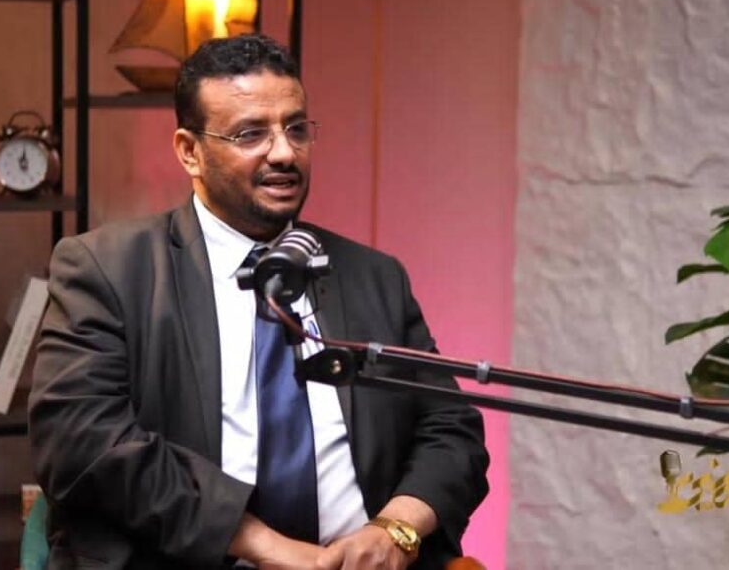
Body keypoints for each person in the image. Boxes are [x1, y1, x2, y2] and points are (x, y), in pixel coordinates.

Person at [28, 34, 489, 569]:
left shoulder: (374, 277)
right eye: (251, 134)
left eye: (296, 128)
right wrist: (262, 544)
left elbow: (451, 429)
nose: (284, 152)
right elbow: (80, 440)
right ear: (189, 151)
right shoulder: (107, 269)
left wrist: (396, 530)